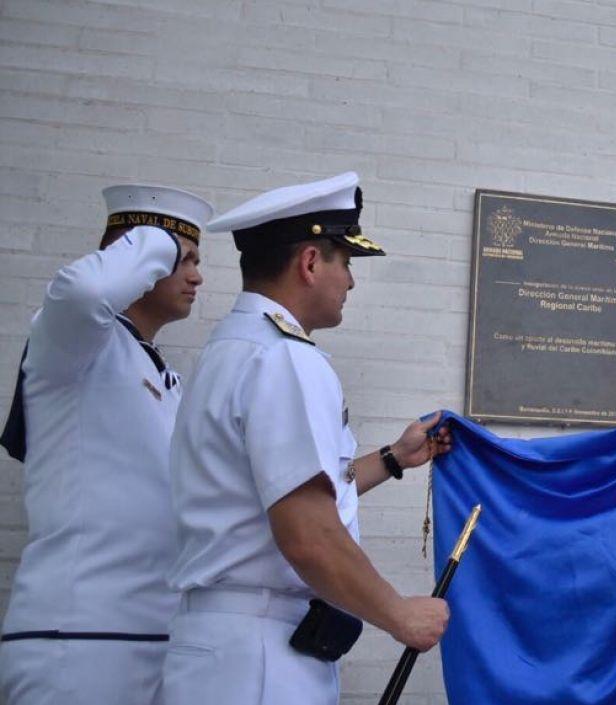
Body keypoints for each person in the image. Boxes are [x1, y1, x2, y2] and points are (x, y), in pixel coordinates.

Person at [160, 172, 452, 705]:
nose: (351, 282)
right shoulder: (285, 359)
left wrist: (393, 459)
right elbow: (307, 533)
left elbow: (282, 490)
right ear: (311, 263)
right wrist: (399, 614)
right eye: (345, 262)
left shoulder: (232, 348)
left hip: (226, 648)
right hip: (262, 661)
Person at [0, 184, 211, 704]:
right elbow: (84, 292)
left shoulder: (164, 377)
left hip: (157, 639)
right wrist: (157, 238)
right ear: (138, 258)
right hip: (76, 640)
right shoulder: (72, 344)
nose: (197, 275)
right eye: (183, 259)